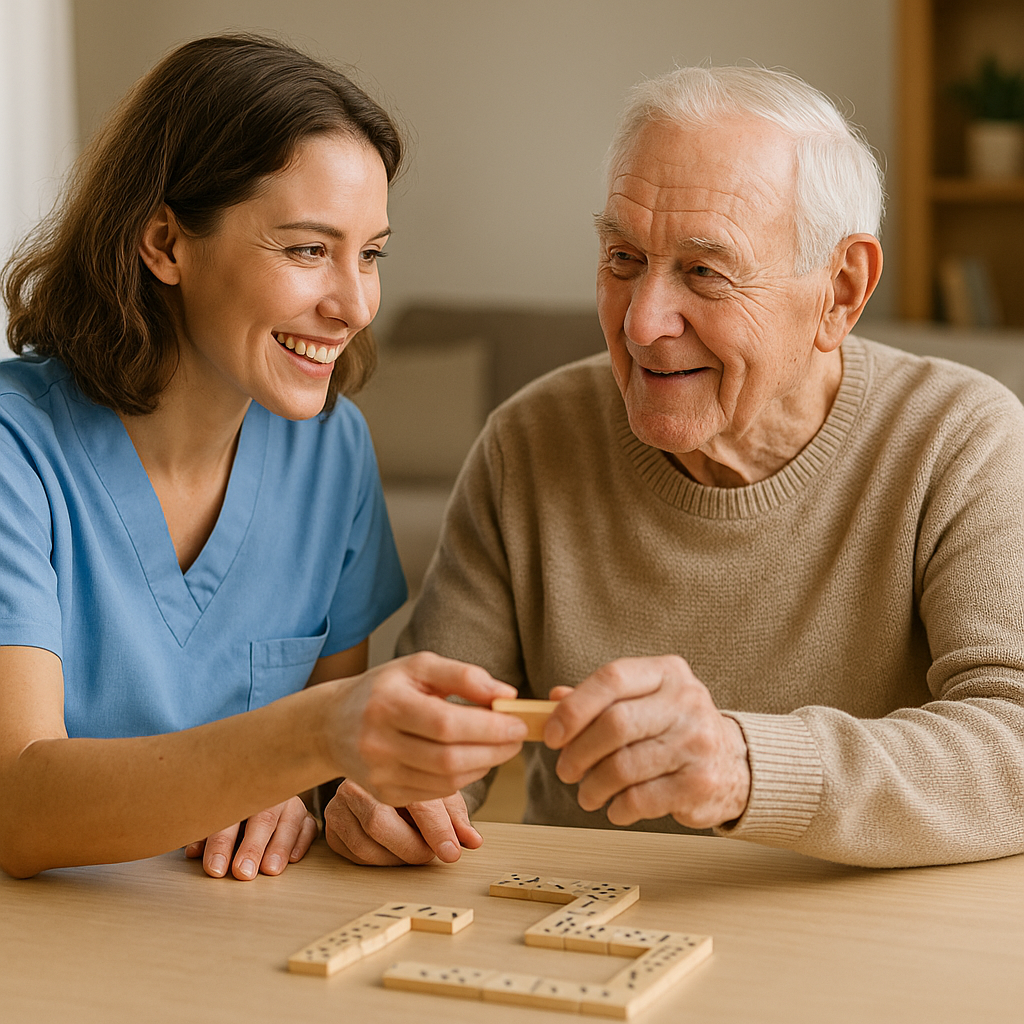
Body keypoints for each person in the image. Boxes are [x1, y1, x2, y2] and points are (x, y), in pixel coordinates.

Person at [325, 65, 1024, 870]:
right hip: (592, 936)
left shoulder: (961, 439)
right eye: (623, 259)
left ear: (840, 289)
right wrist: (401, 790)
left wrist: (743, 766)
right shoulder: (529, 441)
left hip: (861, 939)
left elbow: (1010, 740)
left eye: (705, 272)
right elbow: (438, 726)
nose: (644, 323)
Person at [0, 35, 528, 881]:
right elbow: (17, 808)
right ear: (166, 244)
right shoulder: (13, 449)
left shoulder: (333, 451)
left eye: (372, 254)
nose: (354, 304)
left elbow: (310, 783)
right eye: (308, 249)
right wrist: (308, 736)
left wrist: (323, 796)